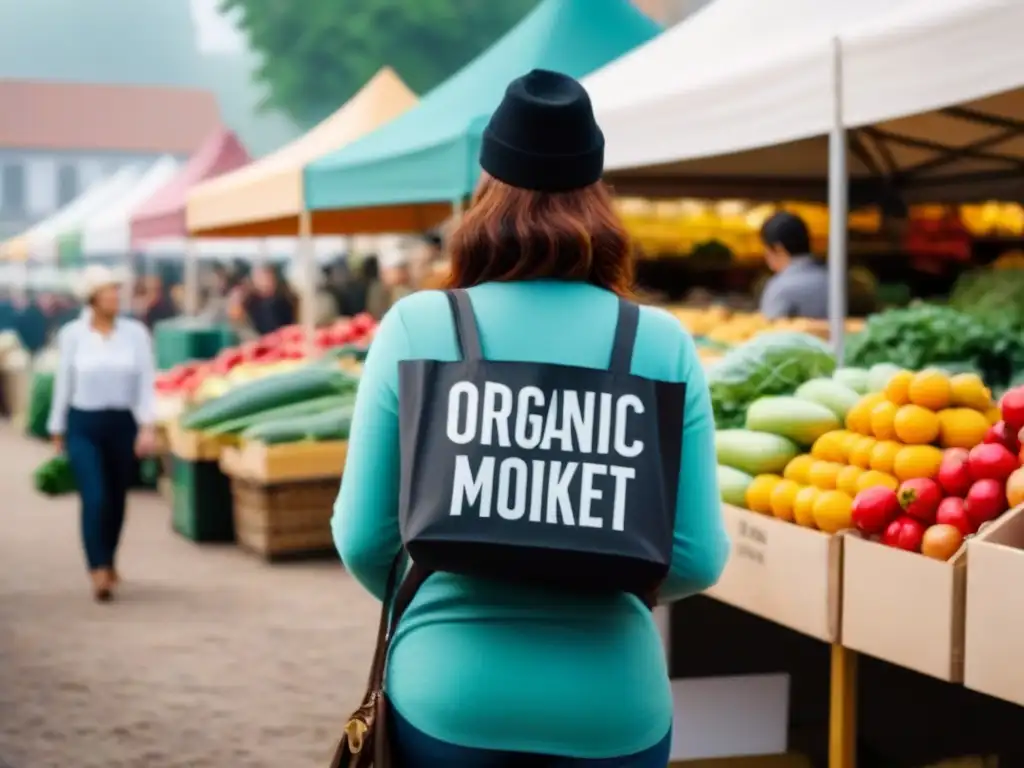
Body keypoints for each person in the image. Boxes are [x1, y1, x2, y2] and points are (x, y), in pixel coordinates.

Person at [333, 70, 729, 767]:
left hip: (447, 695)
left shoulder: (420, 328)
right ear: (598, 194)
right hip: (615, 708)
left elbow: (365, 537)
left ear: (484, 192)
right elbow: (696, 557)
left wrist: (459, 569)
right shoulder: (660, 343)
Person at [48, 265, 158, 602]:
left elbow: (145, 381)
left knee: (116, 498)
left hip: (122, 423)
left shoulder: (136, 333)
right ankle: (97, 569)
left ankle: (109, 558)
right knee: (94, 496)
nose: (114, 296)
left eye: (116, 290)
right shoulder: (72, 335)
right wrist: (57, 426)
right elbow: (64, 381)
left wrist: (147, 426)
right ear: (92, 298)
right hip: (83, 424)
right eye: (107, 291)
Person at [758, 211, 829, 319]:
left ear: (778, 249)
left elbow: (770, 331)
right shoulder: (833, 279)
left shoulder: (780, 287)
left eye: (765, 249)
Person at [243, 265, 295, 335]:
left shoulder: (283, 301)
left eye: (269, 278)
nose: (266, 282)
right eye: (261, 279)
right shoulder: (250, 303)